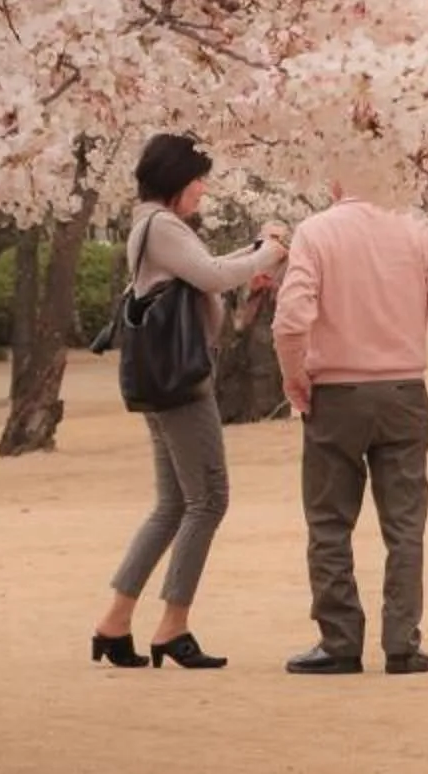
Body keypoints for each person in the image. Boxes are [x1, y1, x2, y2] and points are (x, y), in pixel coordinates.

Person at [92, 132, 290, 670]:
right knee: (209, 500)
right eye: (199, 179)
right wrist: (269, 252)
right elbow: (212, 276)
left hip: (161, 382)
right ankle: (172, 626)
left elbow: (203, 267)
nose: (204, 189)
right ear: (177, 179)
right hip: (182, 384)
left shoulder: (152, 225)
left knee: (173, 504)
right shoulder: (161, 225)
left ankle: (115, 623)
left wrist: (254, 252)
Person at [271, 161, 428, 678]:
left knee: (329, 523)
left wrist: (294, 375)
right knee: (405, 525)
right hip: (404, 391)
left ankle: (339, 641)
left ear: (337, 178)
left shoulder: (316, 232)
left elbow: (291, 320)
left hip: (335, 394)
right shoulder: (416, 229)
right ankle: (402, 643)